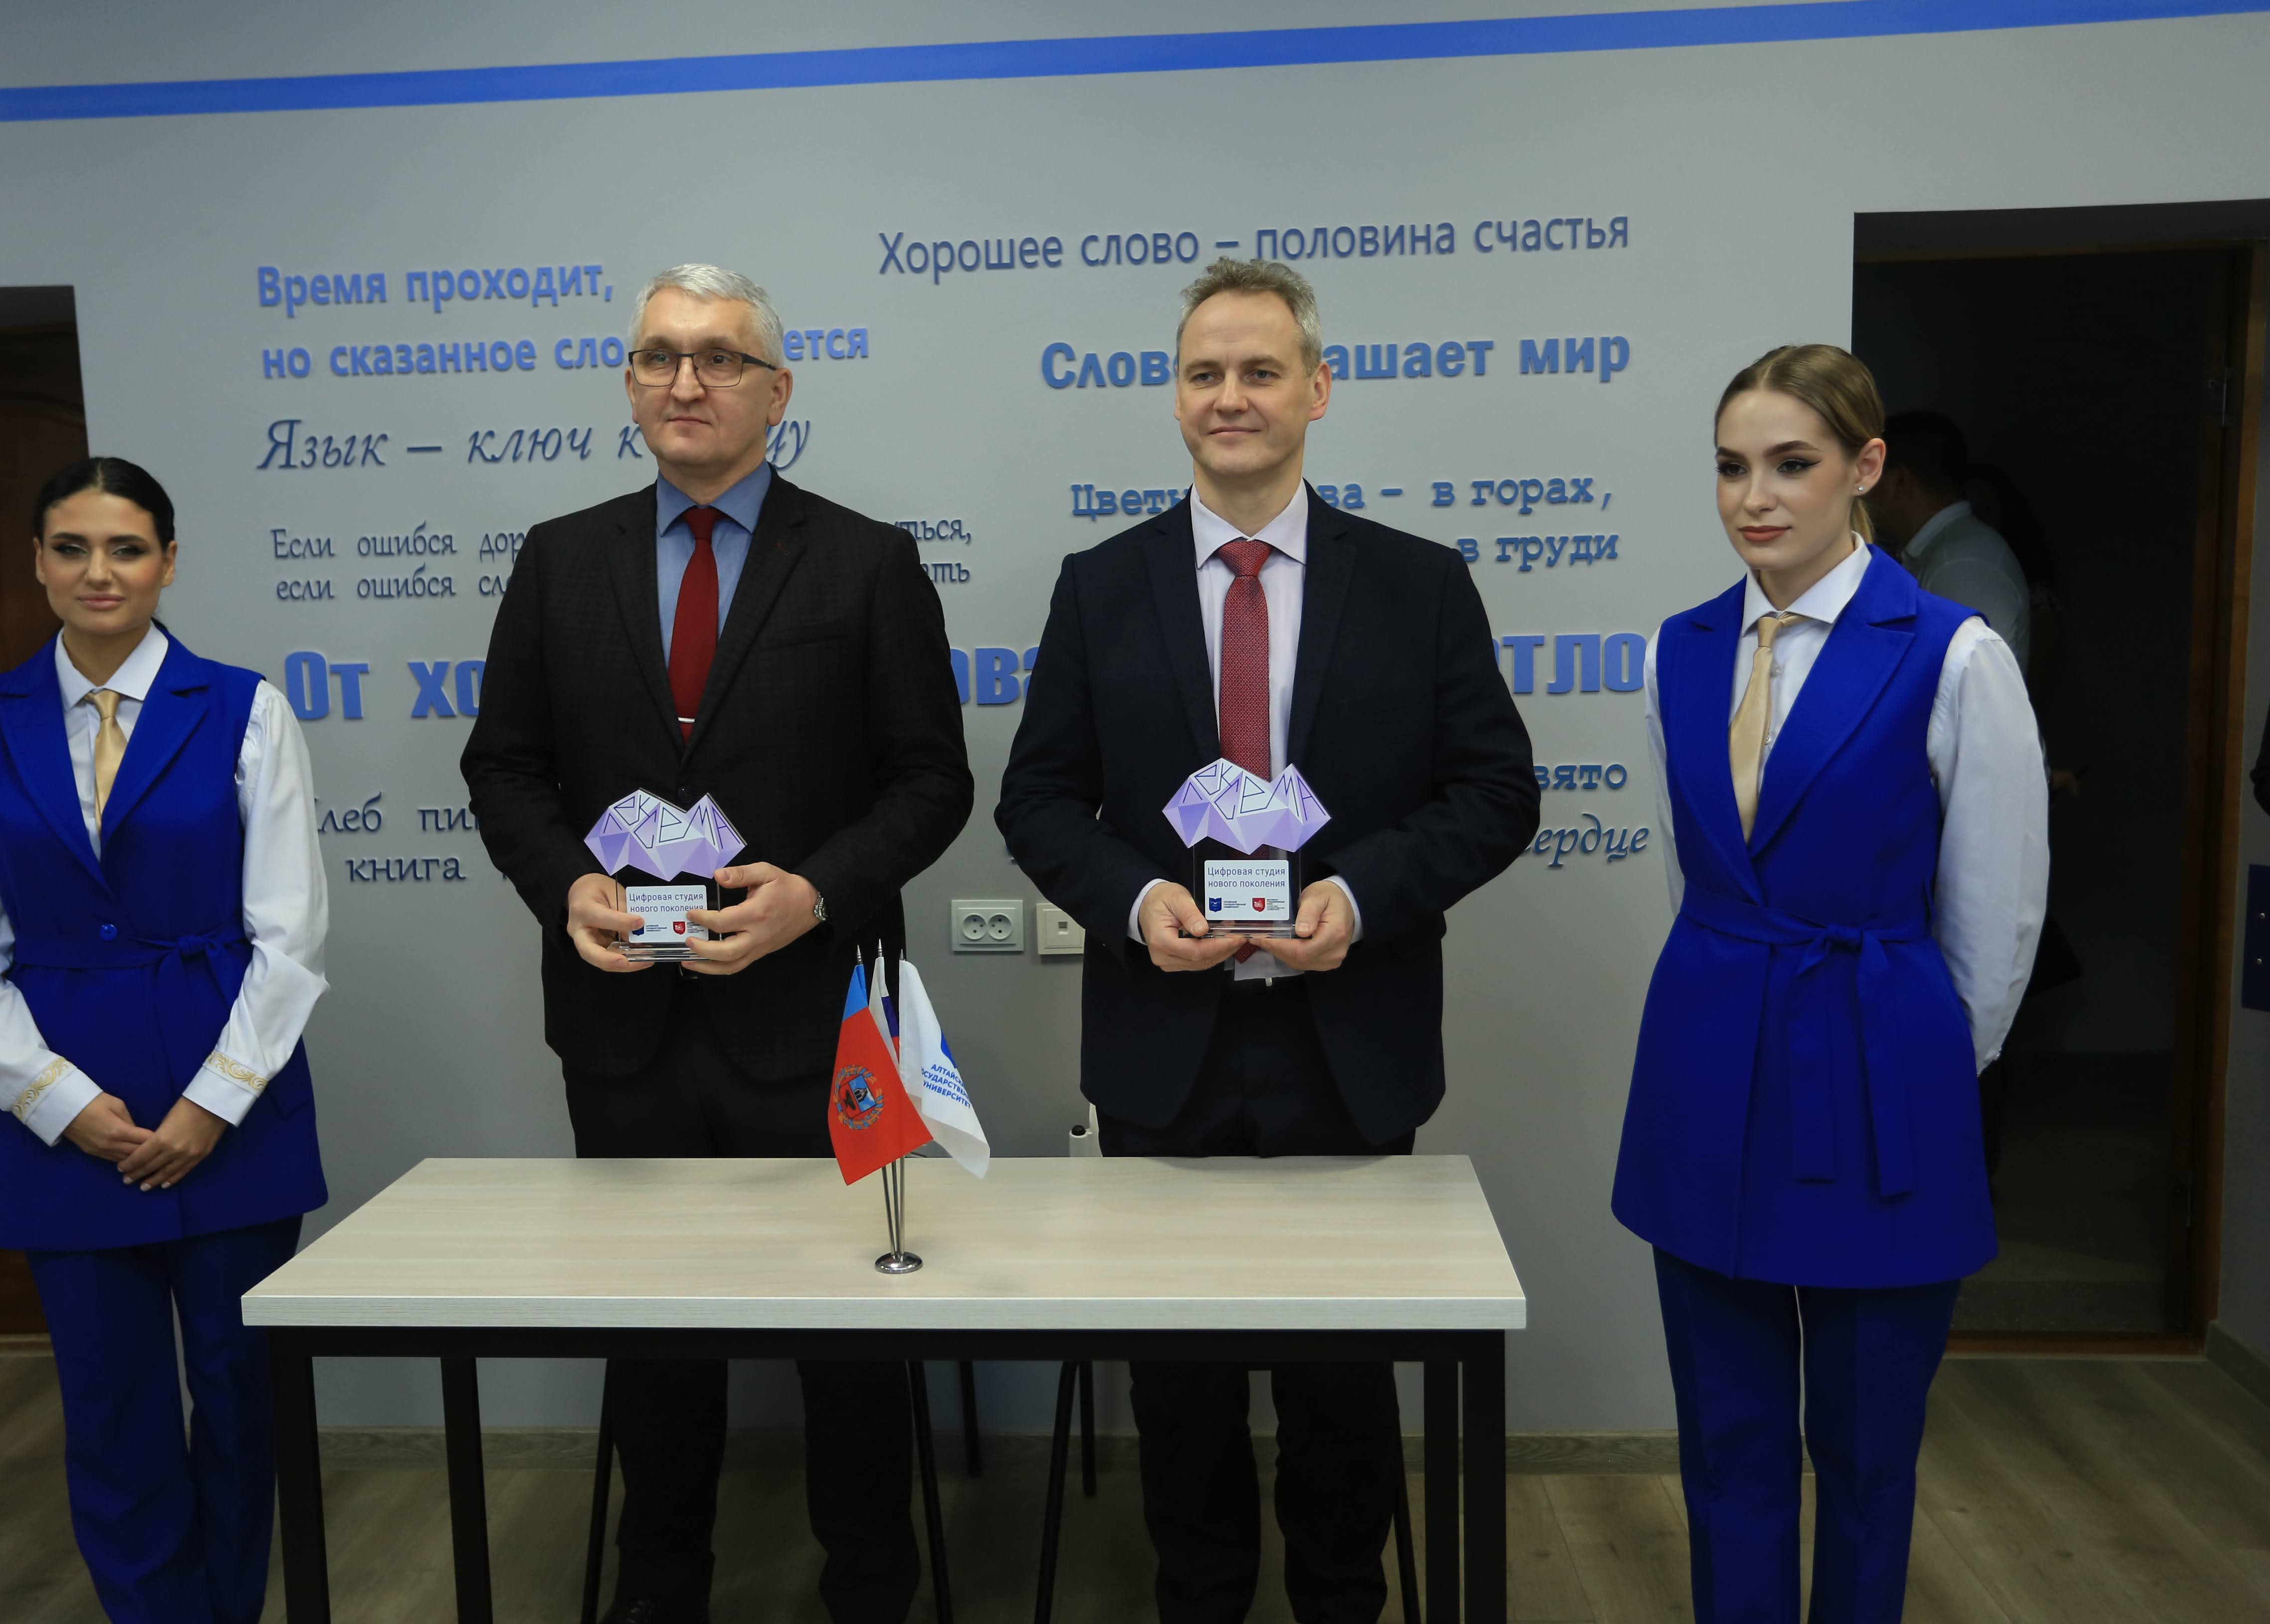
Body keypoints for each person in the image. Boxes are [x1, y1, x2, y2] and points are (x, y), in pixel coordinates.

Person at [996, 257, 1537, 1624]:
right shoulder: (1100, 585)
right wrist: (1137, 904)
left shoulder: (1417, 584)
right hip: (1162, 1046)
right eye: (1203, 373)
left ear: (1317, 389)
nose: (1228, 397)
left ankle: (1341, 1601)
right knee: (1177, 1391)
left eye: (1257, 370)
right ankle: (1201, 1599)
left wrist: (1358, 897)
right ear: (1174, 395)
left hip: (1343, 1044)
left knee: (1340, 1391)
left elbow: (1493, 792)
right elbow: (1038, 799)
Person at [461, 263, 971, 1624]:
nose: (685, 381)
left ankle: (870, 1587)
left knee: (851, 1339)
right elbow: (503, 767)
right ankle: (658, 1587)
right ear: (630, 381)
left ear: (777, 390)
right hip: (624, 1024)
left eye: (720, 357)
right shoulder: (559, 558)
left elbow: (931, 781)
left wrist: (815, 894)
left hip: (819, 1020)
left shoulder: (865, 560)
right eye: (658, 355)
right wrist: (567, 887)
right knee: (652, 1336)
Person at [1612, 346, 2047, 1622]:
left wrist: (1923, 1062)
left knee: (1865, 1451)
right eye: (1730, 467)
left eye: (1790, 464)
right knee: (1725, 1440)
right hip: (1706, 1067)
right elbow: (1702, 879)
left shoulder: (1952, 652)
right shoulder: (1680, 649)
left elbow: (1995, 913)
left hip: (1878, 1073)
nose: (1754, 497)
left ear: (1864, 468)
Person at [0, 456, 328, 1623]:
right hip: (62, 1122)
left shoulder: (247, 709)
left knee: (243, 1395)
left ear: (168, 562)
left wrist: (211, 1104)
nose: (98, 572)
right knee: (112, 1407)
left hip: (230, 1112)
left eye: (126, 548)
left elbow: (291, 936)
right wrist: (62, 1106)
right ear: (37, 562)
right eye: (72, 547)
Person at [1865, 409, 2033, 674]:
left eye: (1872, 472)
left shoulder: (1963, 564)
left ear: (1899, 480)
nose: (1862, 489)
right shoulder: (1944, 551)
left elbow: (1966, 681)